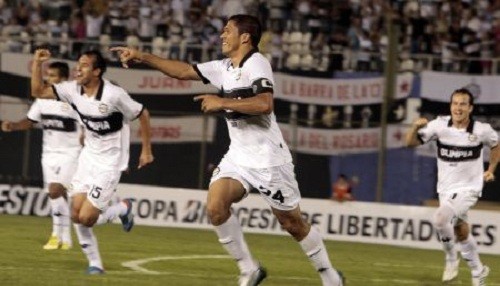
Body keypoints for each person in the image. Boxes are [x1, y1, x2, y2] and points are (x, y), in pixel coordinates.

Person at [111, 14, 344, 286]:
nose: (222, 35)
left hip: (269, 160)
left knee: (292, 223)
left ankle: (330, 276)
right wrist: (142, 57)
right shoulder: (223, 67)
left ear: (245, 37)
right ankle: (249, 269)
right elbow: (183, 71)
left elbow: (264, 104)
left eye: (227, 31)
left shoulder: (257, 63)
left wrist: (222, 102)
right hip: (239, 157)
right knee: (216, 208)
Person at [30, 49, 154, 274]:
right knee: (76, 214)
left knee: (87, 217)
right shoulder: (71, 90)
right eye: (78, 63)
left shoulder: (113, 95)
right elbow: (37, 91)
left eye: (85, 65)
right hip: (87, 158)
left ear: (97, 71)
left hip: (110, 163)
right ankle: (95, 264)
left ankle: (121, 208)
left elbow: (142, 113)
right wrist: (37, 64)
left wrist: (146, 150)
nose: (78, 68)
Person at [405, 88, 498, 286]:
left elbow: (496, 144)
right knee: (461, 231)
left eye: (463, 104)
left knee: (440, 219)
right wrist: (414, 128)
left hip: (470, 188)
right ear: (450, 106)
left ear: (470, 108)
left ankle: (450, 259)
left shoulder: (481, 130)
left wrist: (491, 169)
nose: (458, 107)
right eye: (455, 103)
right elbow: (410, 143)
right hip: (445, 189)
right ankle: (478, 270)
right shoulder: (439, 126)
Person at [1, 61, 81, 250]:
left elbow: (88, 124)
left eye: (52, 76)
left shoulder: (74, 100)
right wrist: (11, 126)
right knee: (55, 196)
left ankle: (56, 235)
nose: (48, 79)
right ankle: (65, 238)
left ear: (63, 79)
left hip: (71, 153)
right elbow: (29, 122)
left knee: (56, 190)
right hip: (48, 154)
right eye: (48, 75)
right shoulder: (43, 100)